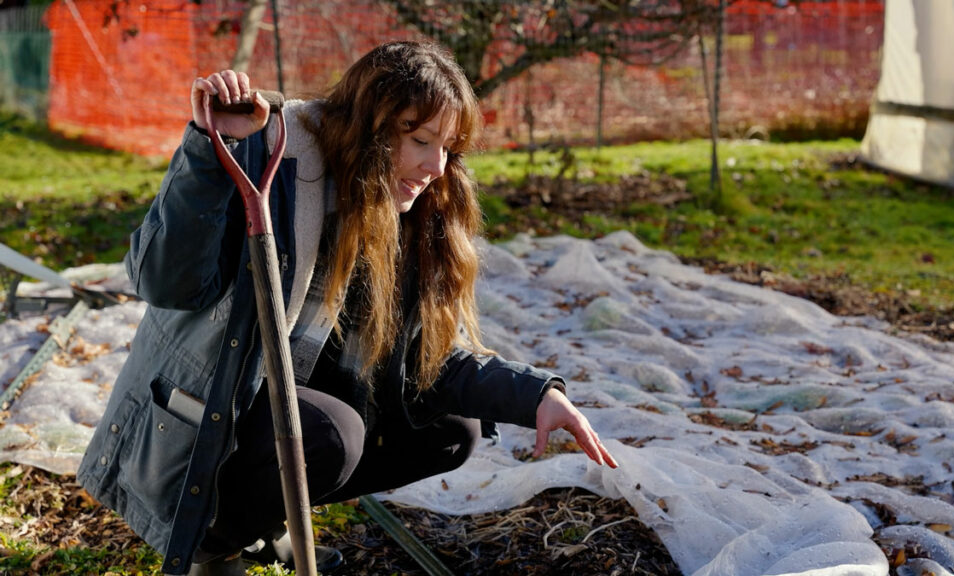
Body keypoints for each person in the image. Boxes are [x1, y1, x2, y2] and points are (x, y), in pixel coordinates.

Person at [77, 41, 617, 576]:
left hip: (284, 402)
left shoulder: (406, 213)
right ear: (370, 125)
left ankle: (258, 518)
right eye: (420, 140)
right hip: (201, 420)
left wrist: (536, 395)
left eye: (448, 147)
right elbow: (165, 282)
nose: (436, 166)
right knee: (332, 434)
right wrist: (206, 147)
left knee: (452, 430)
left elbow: (427, 358)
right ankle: (214, 546)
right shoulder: (277, 164)